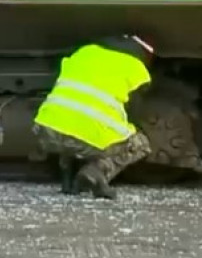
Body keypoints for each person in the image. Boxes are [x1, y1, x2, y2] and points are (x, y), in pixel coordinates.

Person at [32, 34, 156, 200]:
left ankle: (67, 180)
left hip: (46, 130)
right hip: (82, 137)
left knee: (71, 121)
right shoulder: (136, 68)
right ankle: (95, 173)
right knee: (139, 143)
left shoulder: (84, 52)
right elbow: (134, 112)